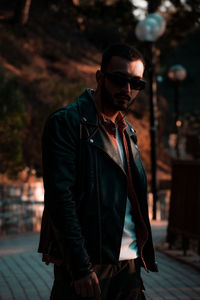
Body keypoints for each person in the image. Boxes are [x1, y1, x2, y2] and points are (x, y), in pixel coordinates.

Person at [38, 43, 158, 300]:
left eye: (136, 84)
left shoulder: (129, 133)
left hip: (130, 265)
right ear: (100, 77)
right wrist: (80, 267)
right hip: (89, 266)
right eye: (119, 79)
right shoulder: (67, 123)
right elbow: (61, 200)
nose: (127, 90)